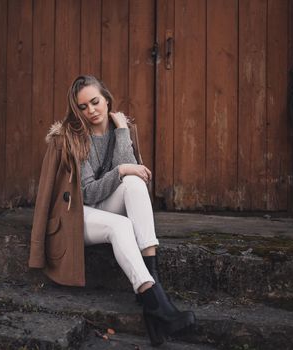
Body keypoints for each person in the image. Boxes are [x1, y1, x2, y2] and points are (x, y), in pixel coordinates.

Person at [28, 75, 195, 345]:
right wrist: (122, 170)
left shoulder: (122, 129)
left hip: (104, 208)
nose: (91, 111)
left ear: (106, 99)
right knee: (121, 223)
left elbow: (132, 174)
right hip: (76, 217)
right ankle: (158, 301)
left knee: (133, 183)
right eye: (82, 107)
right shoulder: (70, 138)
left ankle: (154, 296)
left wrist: (121, 134)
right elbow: (89, 192)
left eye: (95, 102)